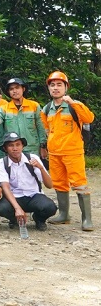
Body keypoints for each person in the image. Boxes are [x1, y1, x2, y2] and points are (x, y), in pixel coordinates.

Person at [41, 71, 94, 231]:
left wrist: (72, 103)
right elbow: (47, 128)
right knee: (59, 184)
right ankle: (64, 215)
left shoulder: (74, 105)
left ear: (66, 87)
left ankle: (87, 220)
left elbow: (89, 118)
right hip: (55, 154)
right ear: (49, 88)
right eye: (52, 85)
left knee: (79, 184)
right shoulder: (47, 108)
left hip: (73, 152)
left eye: (59, 85)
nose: (55, 88)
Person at [0, 132, 56, 231]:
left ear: (22, 146)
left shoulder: (33, 158)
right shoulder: (2, 162)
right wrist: (17, 208)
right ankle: (14, 219)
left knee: (50, 207)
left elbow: (49, 185)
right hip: (15, 197)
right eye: (11, 145)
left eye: (18, 145)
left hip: (34, 195)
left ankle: (39, 219)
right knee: (2, 208)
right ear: (5, 149)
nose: (15, 148)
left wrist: (41, 168)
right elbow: (5, 187)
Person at [1, 78, 44, 157]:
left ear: (23, 89)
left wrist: (43, 146)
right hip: (13, 150)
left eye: (17, 87)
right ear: (8, 92)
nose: (14, 91)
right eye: (11, 89)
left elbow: (41, 127)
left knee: (33, 169)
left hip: (32, 148)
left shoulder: (34, 106)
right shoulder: (4, 108)